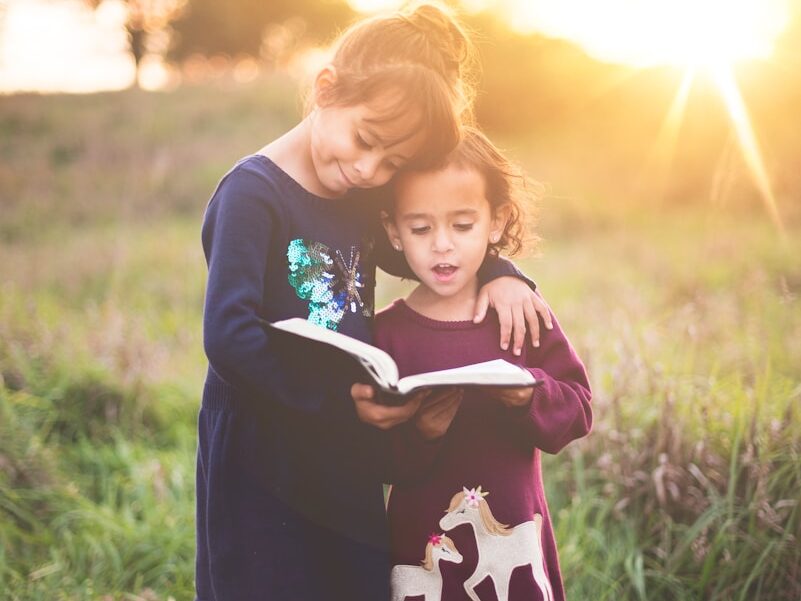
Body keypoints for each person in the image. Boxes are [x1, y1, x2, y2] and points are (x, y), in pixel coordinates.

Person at [196, 5, 552, 600]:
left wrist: (503, 271)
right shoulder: (252, 194)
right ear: (324, 89)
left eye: (392, 163)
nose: (368, 169)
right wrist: (338, 401)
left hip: (346, 452)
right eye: (366, 141)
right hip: (263, 454)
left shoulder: (358, 195)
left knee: (350, 582)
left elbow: (422, 256)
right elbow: (228, 336)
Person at [369, 127, 593, 601]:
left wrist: (529, 393)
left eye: (463, 225)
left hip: (513, 532)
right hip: (420, 541)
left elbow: (578, 411)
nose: (442, 245)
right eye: (421, 228)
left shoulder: (520, 313)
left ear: (496, 221)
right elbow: (373, 460)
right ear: (393, 229)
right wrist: (422, 432)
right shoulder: (385, 335)